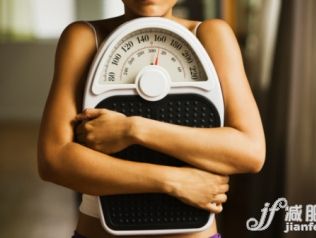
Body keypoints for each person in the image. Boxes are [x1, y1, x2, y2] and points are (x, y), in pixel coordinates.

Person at [37, 0, 266, 237]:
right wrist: (173, 181)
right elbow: (53, 159)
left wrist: (133, 129)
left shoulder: (211, 35)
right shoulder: (84, 37)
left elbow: (250, 151)